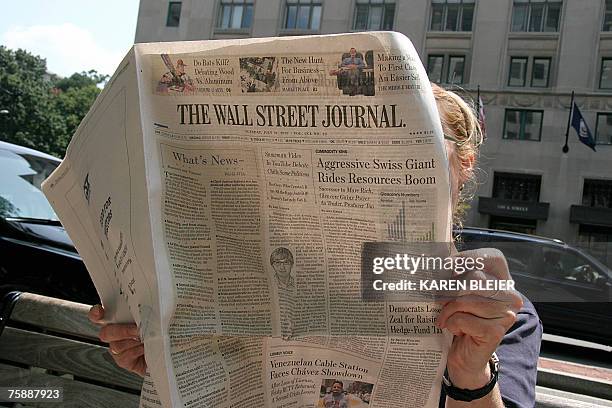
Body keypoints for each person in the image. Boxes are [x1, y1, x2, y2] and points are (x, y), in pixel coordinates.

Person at [88, 83, 541, 407]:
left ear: (463, 170)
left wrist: (471, 375)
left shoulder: (499, 312)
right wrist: (166, 357)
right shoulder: (266, 275)